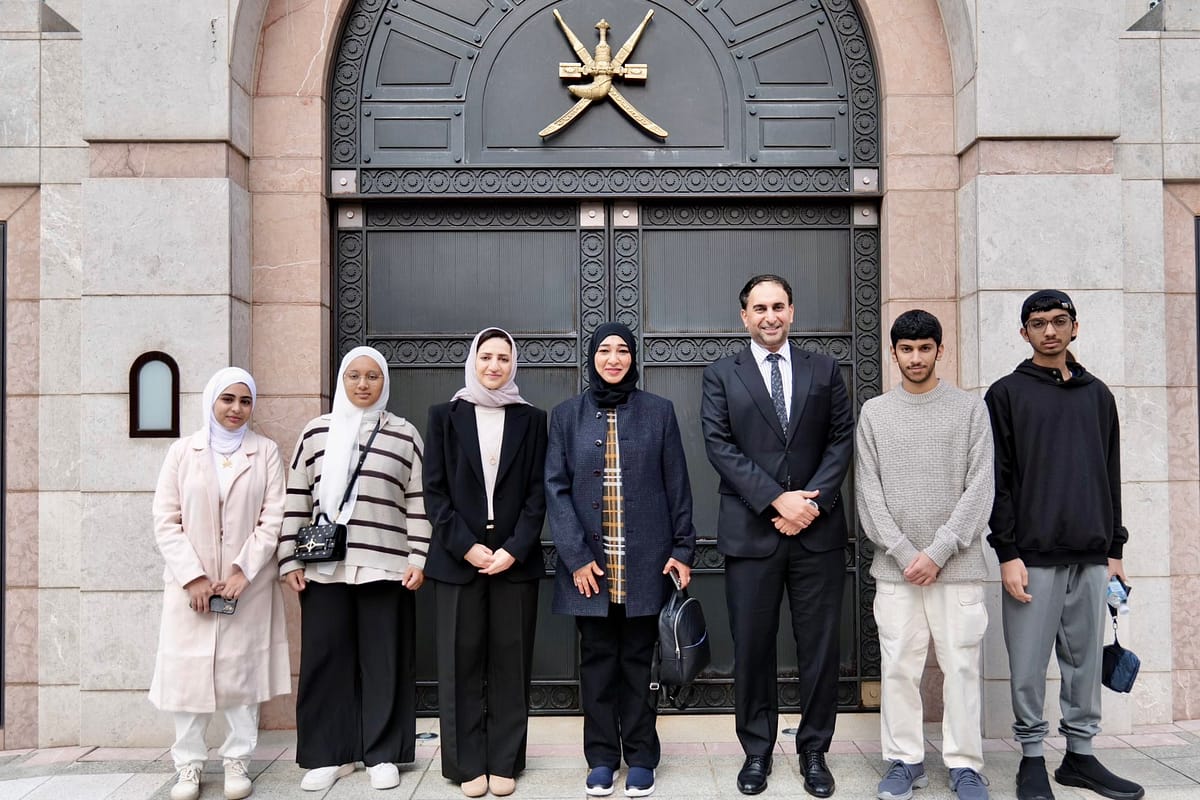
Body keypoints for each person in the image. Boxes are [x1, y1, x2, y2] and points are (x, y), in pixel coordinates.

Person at [986, 290, 1143, 800]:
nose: (1049, 331)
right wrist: (1007, 552)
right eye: (1038, 323)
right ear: (1024, 332)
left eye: (1059, 321)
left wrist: (1115, 549)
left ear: (1075, 327)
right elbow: (997, 481)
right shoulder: (1006, 394)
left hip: (1091, 554)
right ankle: (1032, 758)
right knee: (1028, 665)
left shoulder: (1099, 396)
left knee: (1084, 663)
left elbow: (1110, 472)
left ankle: (1079, 756)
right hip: (1031, 556)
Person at [701, 274, 854, 798]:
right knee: (752, 648)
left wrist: (807, 504)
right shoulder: (721, 374)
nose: (770, 316)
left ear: (792, 311)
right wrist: (775, 501)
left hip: (817, 530)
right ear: (744, 316)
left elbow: (841, 439)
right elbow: (719, 445)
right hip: (750, 534)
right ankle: (757, 751)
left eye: (779, 306)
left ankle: (814, 751)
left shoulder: (825, 369)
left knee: (819, 649)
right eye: (760, 308)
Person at [546, 322, 697, 798]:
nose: (613, 359)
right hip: (589, 569)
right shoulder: (566, 416)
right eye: (605, 350)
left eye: (622, 350)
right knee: (596, 665)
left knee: (638, 663)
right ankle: (601, 758)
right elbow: (555, 489)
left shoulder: (659, 412)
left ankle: (642, 756)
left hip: (645, 564)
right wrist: (575, 557)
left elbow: (678, 485)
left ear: (633, 357)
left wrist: (682, 549)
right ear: (592, 357)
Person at [278, 346, 431, 793]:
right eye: (354, 376)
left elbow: (418, 501)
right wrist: (289, 558)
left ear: (385, 382)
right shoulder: (315, 432)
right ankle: (330, 754)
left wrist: (418, 557)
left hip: (387, 565)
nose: (363, 384)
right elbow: (296, 496)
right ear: (342, 380)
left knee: (385, 662)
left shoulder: (404, 434)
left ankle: (383, 753)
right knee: (326, 661)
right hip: (325, 569)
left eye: (373, 376)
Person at [855, 310, 993, 800]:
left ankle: (965, 765)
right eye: (907, 349)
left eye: (925, 348)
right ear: (893, 353)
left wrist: (937, 552)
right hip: (897, 572)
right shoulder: (875, 413)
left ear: (940, 350)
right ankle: (904, 760)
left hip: (958, 568)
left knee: (961, 669)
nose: (916, 358)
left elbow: (981, 488)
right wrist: (903, 552)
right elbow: (868, 492)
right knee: (898, 667)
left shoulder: (971, 409)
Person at [150, 367, 291, 800]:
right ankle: (188, 765)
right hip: (191, 589)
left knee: (241, 677)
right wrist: (192, 577)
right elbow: (166, 519)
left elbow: (273, 517)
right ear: (211, 400)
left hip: (246, 586)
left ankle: (237, 760)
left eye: (245, 401)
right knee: (187, 677)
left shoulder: (265, 452)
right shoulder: (182, 452)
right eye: (227, 399)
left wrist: (243, 570)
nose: (236, 409)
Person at [423, 328, 548, 798]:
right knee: (460, 662)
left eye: (503, 358)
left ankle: (505, 761)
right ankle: (466, 763)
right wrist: (465, 546)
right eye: (486, 357)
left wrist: (514, 548)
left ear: (513, 364)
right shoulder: (444, 416)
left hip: (515, 556)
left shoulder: (531, 419)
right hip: (460, 557)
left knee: (510, 663)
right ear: (472, 361)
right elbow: (434, 492)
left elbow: (538, 491)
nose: (494, 366)